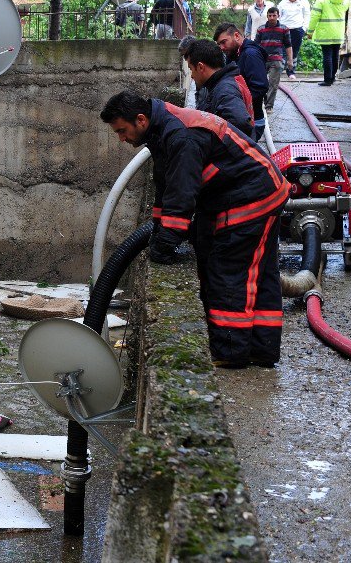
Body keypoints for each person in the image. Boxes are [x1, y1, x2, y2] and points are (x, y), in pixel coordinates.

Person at [99, 91, 289, 368]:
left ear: (140, 119)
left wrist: (166, 242)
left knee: (227, 271)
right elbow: (167, 183)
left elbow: (182, 195)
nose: (121, 138)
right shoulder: (163, 128)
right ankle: (262, 349)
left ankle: (230, 352)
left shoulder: (180, 136)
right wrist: (158, 229)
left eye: (122, 130)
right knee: (259, 275)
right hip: (257, 193)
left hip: (251, 200)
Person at [187, 38, 255, 138]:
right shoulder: (225, 82)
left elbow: (241, 124)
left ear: (201, 67)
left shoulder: (225, 90)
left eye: (191, 69)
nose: (192, 76)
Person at [214, 23, 270, 140]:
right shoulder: (235, 53)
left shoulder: (250, 55)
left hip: (251, 122)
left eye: (224, 42)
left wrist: (235, 102)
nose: (222, 47)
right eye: (219, 44)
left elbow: (260, 87)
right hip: (242, 118)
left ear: (237, 36)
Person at [307, 0, 351, 87]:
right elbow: (345, 8)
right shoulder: (344, 0)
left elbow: (314, 17)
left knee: (327, 55)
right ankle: (332, 77)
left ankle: (327, 80)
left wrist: (310, 31)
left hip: (325, 31)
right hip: (338, 32)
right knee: (335, 55)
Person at [255, 7, 296, 112]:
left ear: (278, 16)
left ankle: (269, 106)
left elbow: (288, 45)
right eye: (270, 15)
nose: (272, 18)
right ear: (267, 16)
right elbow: (255, 45)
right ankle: (260, 103)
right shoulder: (261, 29)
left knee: (273, 83)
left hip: (276, 59)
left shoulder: (284, 29)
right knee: (261, 82)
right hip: (262, 59)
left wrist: (290, 60)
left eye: (274, 15)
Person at [277, 0, 311, 71]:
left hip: (298, 30)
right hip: (284, 30)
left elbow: (307, 16)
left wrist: (304, 28)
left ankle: (291, 71)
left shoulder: (304, 3)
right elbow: (278, 15)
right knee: (283, 51)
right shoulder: (283, 3)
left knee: (294, 51)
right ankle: (281, 70)